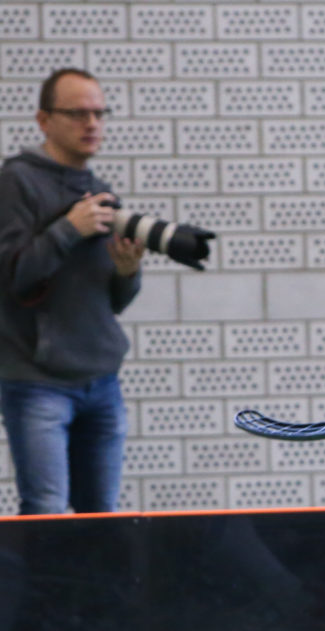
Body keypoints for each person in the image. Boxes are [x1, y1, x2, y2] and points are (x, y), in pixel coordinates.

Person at [0, 68, 144, 515]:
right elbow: (12, 276)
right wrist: (67, 230)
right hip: (37, 383)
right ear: (44, 120)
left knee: (100, 518)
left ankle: (94, 591)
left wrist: (127, 272)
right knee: (48, 516)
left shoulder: (99, 192)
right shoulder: (15, 182)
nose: (92, 123)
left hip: (101, 381)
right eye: (78, 113)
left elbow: (112, 302)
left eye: (100, 113)